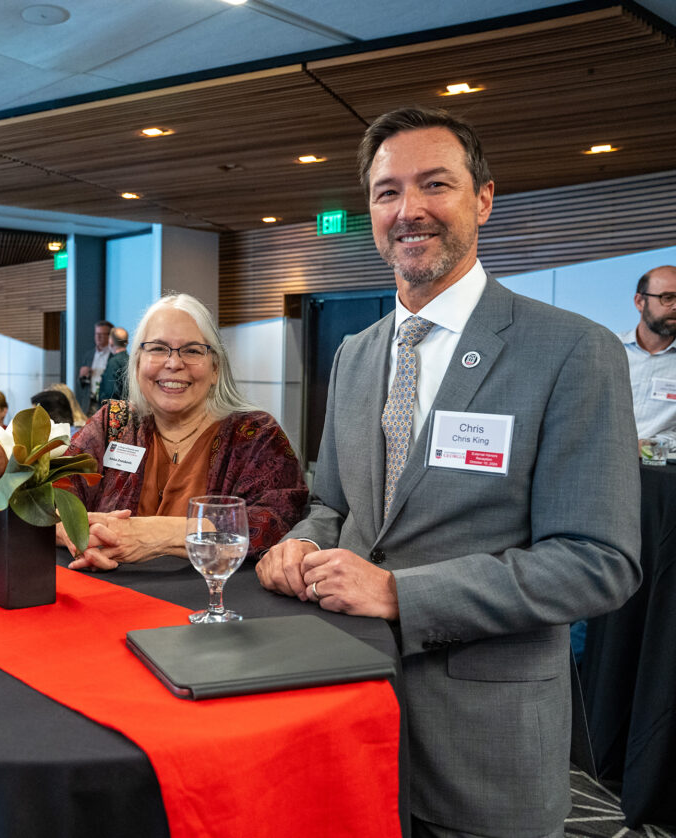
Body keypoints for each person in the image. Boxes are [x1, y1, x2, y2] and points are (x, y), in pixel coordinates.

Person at [255, 106, 640, 837]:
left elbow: (599, 564)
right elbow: (333, 503)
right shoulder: (357, 354)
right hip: (349, 713)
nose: (410, 211)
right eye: (387, 191)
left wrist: (403, 593)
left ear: (483, 199)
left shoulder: (570, 350)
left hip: (486, 744)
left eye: (435, 184)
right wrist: (304, 541)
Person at [62, 293, 307, 569]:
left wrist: (156, 534)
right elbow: (50, 497)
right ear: (138, 362)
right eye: (157, 348)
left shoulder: (255, 436)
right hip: (110, 600)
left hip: (210, 604)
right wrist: (79, 533)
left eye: (192, 350)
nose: (174, 363)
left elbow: (279, 522)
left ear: (215, 369)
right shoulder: (114, 424)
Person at [619, 265, 676, 446]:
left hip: (659, 469)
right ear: (639, 302)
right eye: (667, 298)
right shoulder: (608, 349)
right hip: (599, 462)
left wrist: (647, 447)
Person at [78, 319, 112, 413]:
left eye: (102, 334)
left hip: (108, 404)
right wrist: (82, 376)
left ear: (109, 336)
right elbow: (83, 384)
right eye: (96, 334)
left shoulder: (114, 356)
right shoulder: (88, 355)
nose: (98, 337)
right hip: (90, 403)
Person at [97, 326, 129, 403]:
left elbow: (110, 393)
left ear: (111, 341)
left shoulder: (113, 362)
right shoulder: (131, 361)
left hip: (114, 412)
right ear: (127, 342)